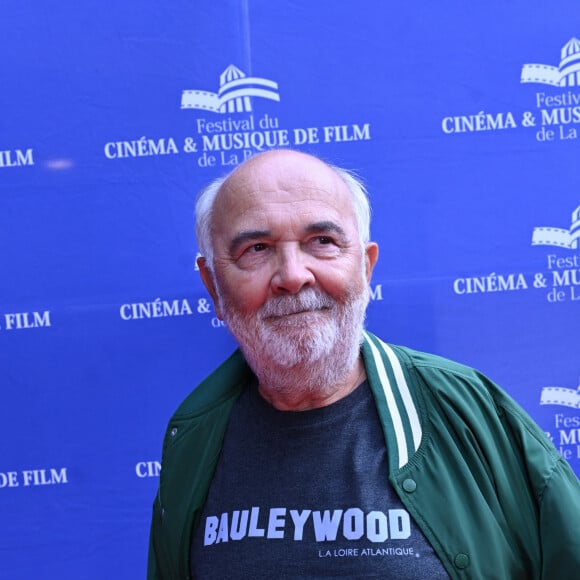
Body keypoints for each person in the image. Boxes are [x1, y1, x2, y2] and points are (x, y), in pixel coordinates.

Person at [148, 149, 580, 579]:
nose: (293, 275)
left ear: (366, 267)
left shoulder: (469, 412)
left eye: (322, 242)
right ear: (212, 286)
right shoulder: (192, 436)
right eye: (257, 248)